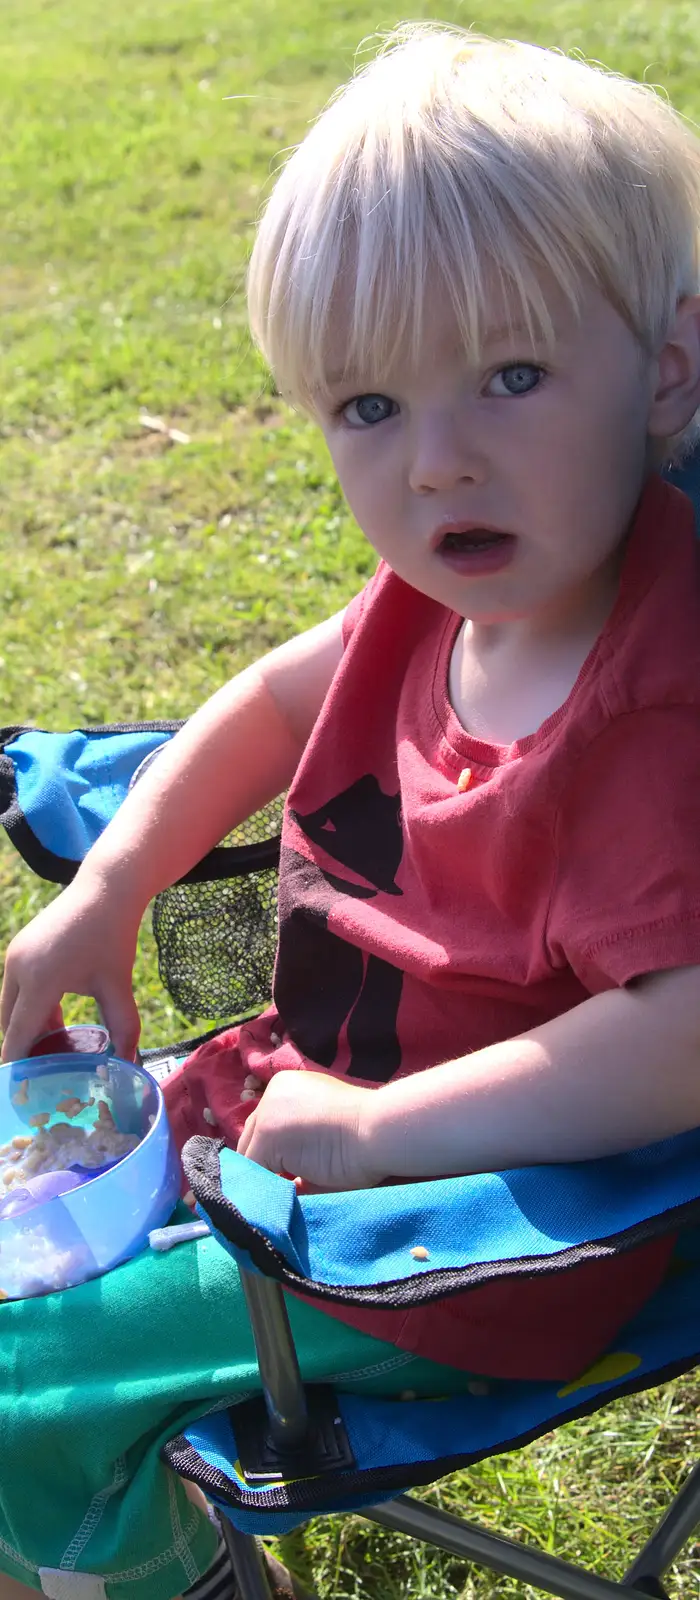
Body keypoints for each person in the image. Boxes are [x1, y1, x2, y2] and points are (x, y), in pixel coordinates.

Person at [3, 20, 700, 1599]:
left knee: (16, 1381)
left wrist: (382, 1137)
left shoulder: (654, 703)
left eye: (511, 378)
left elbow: (681, 1036)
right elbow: (268, 703)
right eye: (368, 408)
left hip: (459, 1239)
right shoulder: (442, 596)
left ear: (666, 372)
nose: (441, 464)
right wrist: (111, 886)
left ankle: (168, 1576)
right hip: (300, 1108)